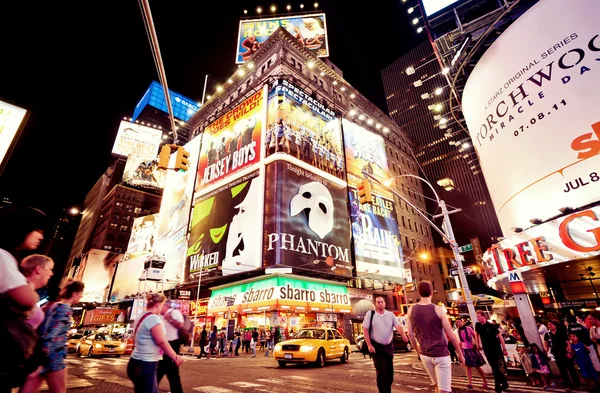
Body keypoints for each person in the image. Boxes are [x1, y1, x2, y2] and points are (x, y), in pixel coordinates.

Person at [20, 279, 85, 393]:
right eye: (80, 293)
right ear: (74, 293)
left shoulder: (52, 306)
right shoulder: (65, 310)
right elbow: (51, 335)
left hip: (42, 355)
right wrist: (42, 359)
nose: (81, 296)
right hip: (54, 357)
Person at [407, 281, 463, 393]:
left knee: (437, 385)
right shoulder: (438, 310)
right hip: (441, 354)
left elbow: (410, 334)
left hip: (424, 354)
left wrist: (418, 351)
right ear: (432, 292)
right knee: (445, 390)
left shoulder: (411, 310)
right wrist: (460, 353)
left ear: (419, 292)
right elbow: (451, 335)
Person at [127, 293, 183, 393]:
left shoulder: (141, 316)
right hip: (145, 364)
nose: (162, 308)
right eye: (162, 305)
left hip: (135, 362)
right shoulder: (153, 318)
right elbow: (161, 341)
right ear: (157, 305)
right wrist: (175, 356)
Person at [364, 296, 409, 393]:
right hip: (376, 347)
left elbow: (398, 326)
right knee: (381, 372)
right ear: (375, 304)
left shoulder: (390, 315)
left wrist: (403, 335)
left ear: (385, 303)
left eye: (382, 302)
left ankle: (387, 389)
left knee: (389, 373)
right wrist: (369, 345)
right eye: (378, 302)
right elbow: (365, 330)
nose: (380, 303)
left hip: (388, 347)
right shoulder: (370, 314)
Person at [475, 311, 509, 393]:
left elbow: (500, 336)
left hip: (495, 348)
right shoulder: (478, 325)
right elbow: (477, 334)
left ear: (484, 316)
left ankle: (497, 386)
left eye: (479, 316)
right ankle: (504, 383)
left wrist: (504, 349)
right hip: (486, 348)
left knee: (495, 367)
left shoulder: (491, 326)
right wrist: (477, 344)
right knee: (494, 367)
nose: (478, 318)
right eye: (477, 316)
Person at [157, 301, 184, 393]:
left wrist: (170, 319)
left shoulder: (174, 312)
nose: (159, 308)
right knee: (164, 369)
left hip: (172, 344)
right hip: (163, 345)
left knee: (169, 371)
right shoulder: (160, 316)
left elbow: (180, 324)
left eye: (161, 305)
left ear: (166, 306)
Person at [547, 320, 580, 392]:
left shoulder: (561, 332)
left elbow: (567, 342)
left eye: (551, 324)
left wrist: (569, 351)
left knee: (571, 369)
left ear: (555, 325)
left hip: (565, 352)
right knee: (562, 370)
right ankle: (567, 385)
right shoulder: (548, 334)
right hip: (557, 354)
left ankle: (577, 384)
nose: (549, 326)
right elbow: (546, 343)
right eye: (548, 325)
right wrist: (547, 351)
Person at [456, 318, 488, 389]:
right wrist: (460, 352)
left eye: (459, 322)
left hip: (472, 349)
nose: (458, 324)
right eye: (457, 323)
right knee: (468, 367)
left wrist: (477, 344)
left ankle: (484, 380)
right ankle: (470, 383)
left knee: (477, 366)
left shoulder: (468, 328)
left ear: (463, 322)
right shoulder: (458, 330)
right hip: (465, 350)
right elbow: (461, 342)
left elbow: (475, 336)